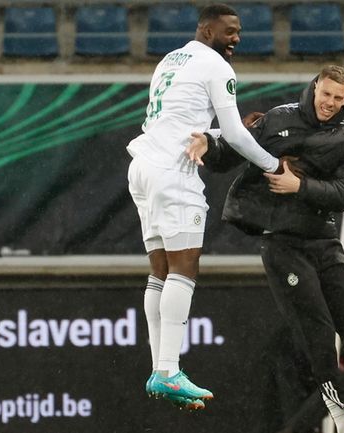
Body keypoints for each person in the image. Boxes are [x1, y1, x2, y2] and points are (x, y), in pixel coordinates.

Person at [192, 65, 344, 433]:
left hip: (324, 240)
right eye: (326, 94)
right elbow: (234, 147)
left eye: (338, 98)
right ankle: (341, 420)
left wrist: (298, 186)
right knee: (317, 333)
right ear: (314, 88)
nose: (330, 103)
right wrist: (209, 144)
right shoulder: (277, 119)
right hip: (282, 243)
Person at [126, 4, 284, 411]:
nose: (235, 39)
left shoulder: (170, 59)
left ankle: (159, 369)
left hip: (143, 165)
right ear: (206, 29)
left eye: (239, 32)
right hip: (173, 172)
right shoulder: (216, 66)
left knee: (159, 271)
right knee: (185, 268)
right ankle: (168, 371)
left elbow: (180, 119)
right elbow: (234, 133)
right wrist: (273, 164)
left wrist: (212, 132)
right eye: (229, 30)